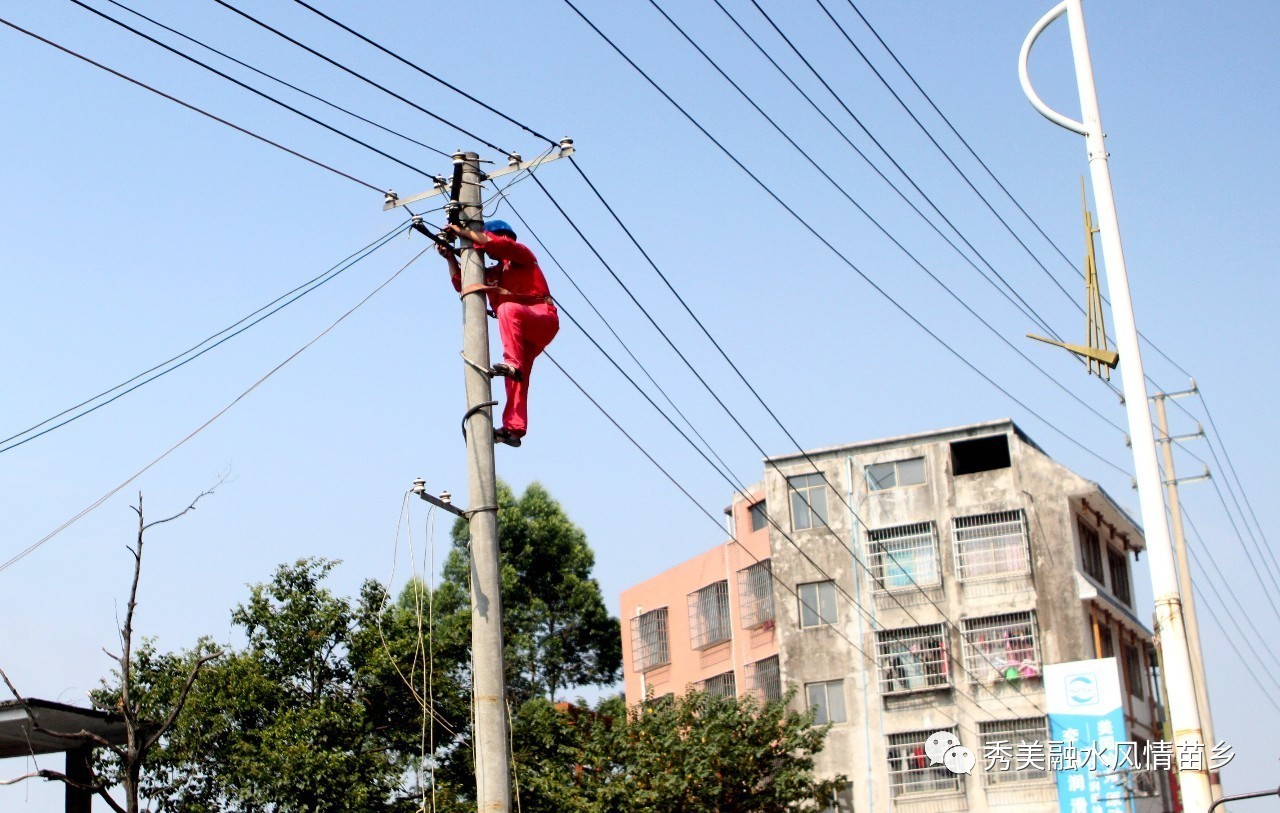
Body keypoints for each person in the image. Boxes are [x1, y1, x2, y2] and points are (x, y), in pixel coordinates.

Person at [438, 219, 558, 447]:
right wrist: (450, 257)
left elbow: (499, 246)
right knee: (517, 379)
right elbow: (462, 283)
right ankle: (513, 429)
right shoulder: (494, 273)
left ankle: (512, 363)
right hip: (521, 332)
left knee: (508, 308)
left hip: (542, 318)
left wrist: (463, 232)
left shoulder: (523, 256)